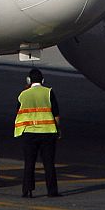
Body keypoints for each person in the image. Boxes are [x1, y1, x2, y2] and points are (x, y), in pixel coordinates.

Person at [14, 67, 61, 198]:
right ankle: (52, 191)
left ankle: (27, 191)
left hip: (29, 133)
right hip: (47, 132)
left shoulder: (23, 94)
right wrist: (58, 130)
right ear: (43, 80)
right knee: (49, 163)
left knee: (29, 163)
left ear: (28, 80)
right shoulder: (48, 92)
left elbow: (18, 112)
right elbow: (56, 114)